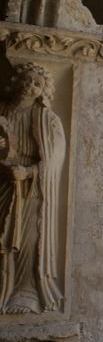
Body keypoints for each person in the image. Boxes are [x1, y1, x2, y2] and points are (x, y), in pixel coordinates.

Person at [0, 63, 66, 315]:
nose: (30, 86)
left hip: (31, 190)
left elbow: (53, 161)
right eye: (27, 80)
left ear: (43, 91)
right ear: (16, 80)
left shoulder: (48, 120)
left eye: (37, 83)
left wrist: (26, 172)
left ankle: (24, 291)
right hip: (4, 182)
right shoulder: (2, 111)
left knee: (27, 238)